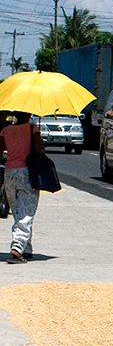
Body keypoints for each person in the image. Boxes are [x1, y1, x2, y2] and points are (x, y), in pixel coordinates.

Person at [0, 112, 45, 263]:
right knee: (26, 212)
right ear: (28, 114)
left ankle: (27, 248)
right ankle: (18, 247)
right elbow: (40, 149)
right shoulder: (32, 129)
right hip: (27, 173)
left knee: (18, 211)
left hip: (10, 173)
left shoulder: (6, 130)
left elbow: (0, 150)